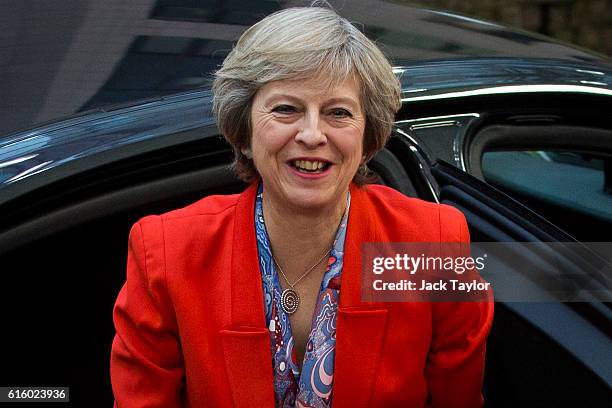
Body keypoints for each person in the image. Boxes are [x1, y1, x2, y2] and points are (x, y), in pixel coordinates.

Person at [110, 6, 493, 408]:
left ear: (368, 137)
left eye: (338, 113)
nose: (312, 134)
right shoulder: (167, 252)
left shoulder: (432, 244)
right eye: (286, 109)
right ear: (243, 131)